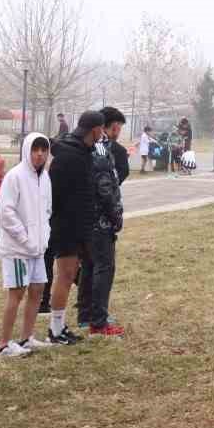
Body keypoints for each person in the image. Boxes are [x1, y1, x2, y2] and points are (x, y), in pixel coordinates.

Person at [45, 110, 104, 345]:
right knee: (66, 276)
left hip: (79, 224)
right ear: (96, 130)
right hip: (66, 225)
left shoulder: (82, 151)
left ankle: (58, 326)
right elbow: (54, 193)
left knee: (70, 275)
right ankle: (56, 329)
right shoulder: (70, 155)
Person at [0, 132, 56, 358]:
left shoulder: (45, 177)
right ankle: (4, 344)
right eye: (35, 149)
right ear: (27, 150)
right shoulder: (15, 176)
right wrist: (25, 238)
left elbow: (47, 210)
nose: (39, 154)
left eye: (44, 150)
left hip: (38, 249)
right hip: (18, 249)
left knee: (38, 288)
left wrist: (43, 237)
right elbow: (5, 213)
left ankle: (27, 337)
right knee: (17, 292)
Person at [78, 107, 126, 336]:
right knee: (103, 268)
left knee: (89, 266)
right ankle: (98, 320)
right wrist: (114, 215)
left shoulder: (90, 148)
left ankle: (86, 315)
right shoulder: (100, 149)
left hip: (89, 218)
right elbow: (105, 187)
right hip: (101, 221)